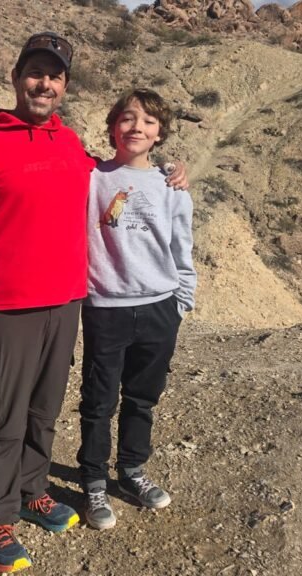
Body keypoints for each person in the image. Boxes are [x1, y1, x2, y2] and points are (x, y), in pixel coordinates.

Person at [0, 33, 187, 572]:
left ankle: (32, 490)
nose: (44, 84)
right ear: (16, 78)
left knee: (43, 411)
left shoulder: (70, 145)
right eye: (35, 73)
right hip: (3, 307)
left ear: (65, 87)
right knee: (1, 416)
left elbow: (121, 171)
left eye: (54, 76)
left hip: (68, 303)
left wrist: (169, 170)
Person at [77, 88, 197, 531]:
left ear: (159, 133)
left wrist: (181, 302)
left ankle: (131, 470)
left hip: (160, 308)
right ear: (113, 126)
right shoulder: (91, 176)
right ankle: (93, 481)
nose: (136, 127)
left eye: (148, 121)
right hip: (106, 307)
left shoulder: (171, 187)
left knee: (142, 398)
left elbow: (182, 247)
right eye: (127, 118)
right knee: (99, 400)